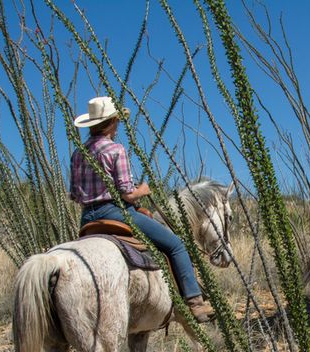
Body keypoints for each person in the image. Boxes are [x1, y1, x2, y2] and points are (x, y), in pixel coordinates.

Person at [70, 96, 214, 323]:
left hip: (87, 218)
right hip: (115, 213)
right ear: (113, 122)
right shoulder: (116, 149)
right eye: (117, 121)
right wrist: (143, 191)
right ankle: (195, 302)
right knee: (176, 245)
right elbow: (127, 192)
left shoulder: (78, 154)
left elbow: (75, 195)